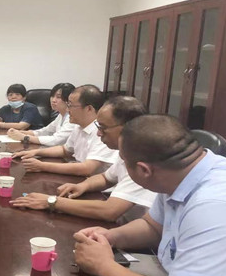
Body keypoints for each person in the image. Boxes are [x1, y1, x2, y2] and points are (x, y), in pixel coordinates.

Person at [73, 115, 226, 276]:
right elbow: (153, 227)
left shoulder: (213, 207)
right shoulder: (181, 173)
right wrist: (111, 236)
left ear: (144, 170)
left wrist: (104, 266)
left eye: (124, 161)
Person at [10, 96, 157, 223]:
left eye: (103, 128)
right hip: (123, 222)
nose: (98, 133)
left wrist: (51, 201)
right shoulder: (126, 152)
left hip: (133, 230)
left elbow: (109, 211)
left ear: (129, 128)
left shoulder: (144, 161)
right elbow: (106, 177)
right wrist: (83, 186)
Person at [13, 85, 117, 176]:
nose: (67, 109)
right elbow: (65, 150)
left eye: (70, 105)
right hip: (82, 179)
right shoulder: (79, 127)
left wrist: (42, 166)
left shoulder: (102, 131)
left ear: (89, 109)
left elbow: (87, 168)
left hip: (99, 188)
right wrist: (34, 152)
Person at [7, 83, 76, 146]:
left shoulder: (73, 118)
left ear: (69, 100)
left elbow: (56, 140)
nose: (53, 100)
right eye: (52, 96)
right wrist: (21, 133)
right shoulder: (61, 115)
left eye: (58, 97)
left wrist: (25, 137)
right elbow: (46, 131)